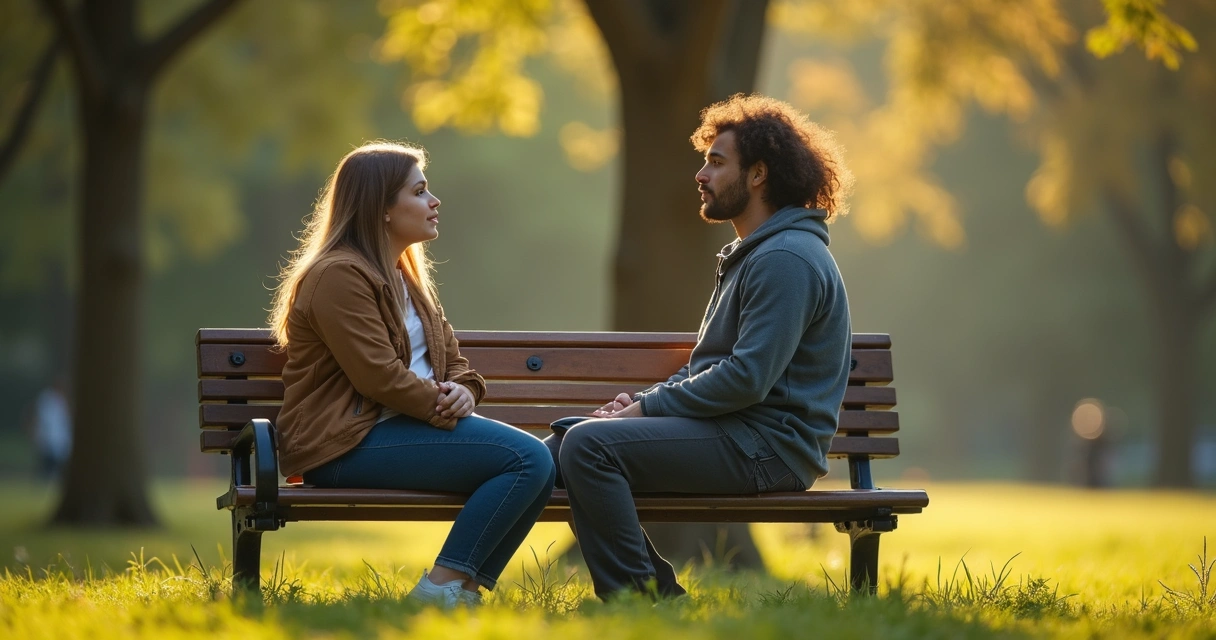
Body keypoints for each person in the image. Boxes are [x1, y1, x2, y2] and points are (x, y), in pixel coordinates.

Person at [546, 94, 855, 600]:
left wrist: (646, 408)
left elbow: (745, 378)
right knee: (560, 448)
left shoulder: (786, 259)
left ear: (758, 175)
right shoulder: (756, 254)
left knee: (588, 445)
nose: (700, 174)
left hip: (768, 449)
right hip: (737, 433)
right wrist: (640, 407)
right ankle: (461, 579)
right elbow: (709, 368)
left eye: (716, 162)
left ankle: (642, 601)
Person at [268, 141, 555, 608]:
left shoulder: (406, 279)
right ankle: (438, 589)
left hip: (400, 429)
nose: (434, 201)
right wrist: (443, 408)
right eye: (420, 191)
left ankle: (461, 592)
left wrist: (464, 391)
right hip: (346, 443)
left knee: (541, 465)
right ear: (381, 208)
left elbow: (453, 359)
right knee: (527, 460)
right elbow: (377, 377)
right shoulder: (337, 276)